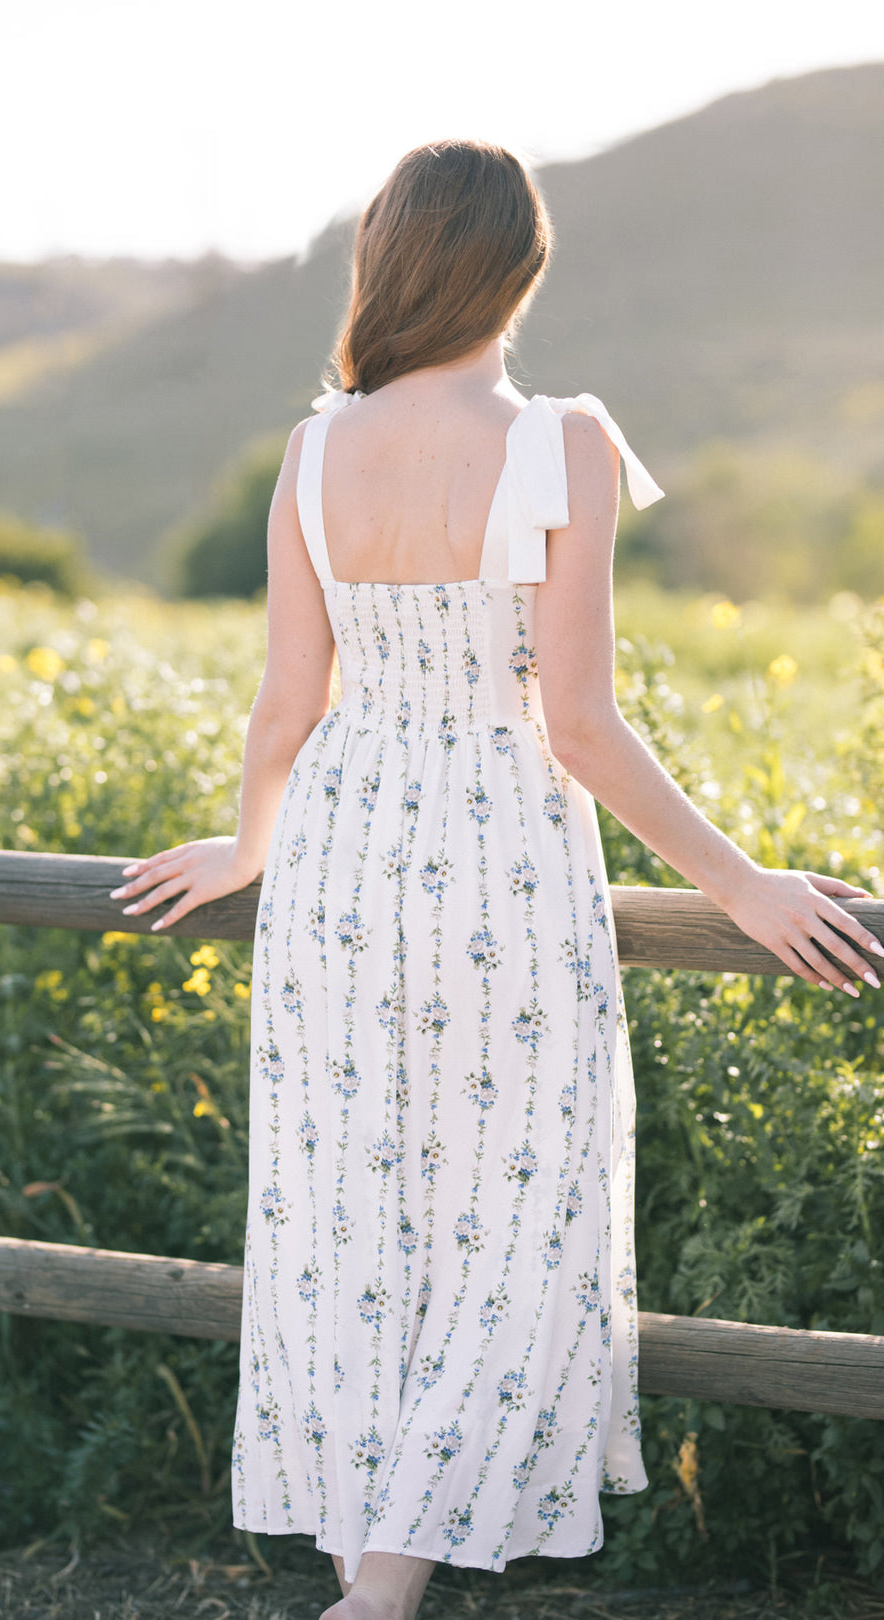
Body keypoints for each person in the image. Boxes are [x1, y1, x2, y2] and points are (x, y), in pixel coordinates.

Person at [110, 140, 882, 1620]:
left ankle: (364, 1571)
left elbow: (286, 703)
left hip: (338, 850)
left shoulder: (312, 450)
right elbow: (578, 718)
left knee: (350, 1210)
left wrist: (249, 844)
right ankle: (382, 1595)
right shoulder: (564, 439)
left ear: (385, 261)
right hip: (497, 855)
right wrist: (747, 885)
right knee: (510, 1213)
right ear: (521, 267)